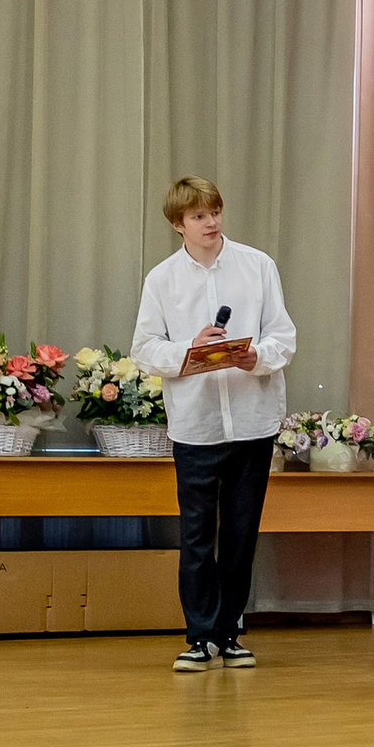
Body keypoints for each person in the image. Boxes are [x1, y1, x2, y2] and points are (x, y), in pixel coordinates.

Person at [132, 177, 298, 674]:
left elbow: (283, 337)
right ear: (176, 225)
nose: (211, 223)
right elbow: (144, 349)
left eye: (216, 212)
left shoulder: (257, 265)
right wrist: (191, 349)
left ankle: (229, 633)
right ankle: (200, 636)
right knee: (198, 534)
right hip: (196, 425)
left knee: (242, 533)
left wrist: (254, 357)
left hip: (252, 420)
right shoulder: (162, 279)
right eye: (199, 216)